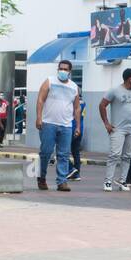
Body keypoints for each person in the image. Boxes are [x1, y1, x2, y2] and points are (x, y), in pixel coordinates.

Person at [35, 58, 80, 192]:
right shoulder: (50, 81)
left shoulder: (74, 87)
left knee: (64, 154)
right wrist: (39, 118)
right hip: (48, 123)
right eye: (61, 68)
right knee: (46, 152)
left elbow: (77, 108)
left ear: (70, 72)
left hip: (66, 126)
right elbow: (40, 100)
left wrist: (77, 126)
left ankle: (62, 182)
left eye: (66, 69)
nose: (63, 71)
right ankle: (41, 177)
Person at [100, 68, 131, 191]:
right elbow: (102, 105)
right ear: (128, 78)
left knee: (127, 156)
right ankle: (108, 181)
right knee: (114, 155)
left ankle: (122, 181)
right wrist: (107, 124)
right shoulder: (114, 90)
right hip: (117, 129)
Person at [69, 95, 86, 181]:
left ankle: (71, 169)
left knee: (62, 150)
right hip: (80, 129)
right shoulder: (83, 103)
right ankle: (77, 174)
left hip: (72, 128)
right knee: (76, 153)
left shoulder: (73, 103)